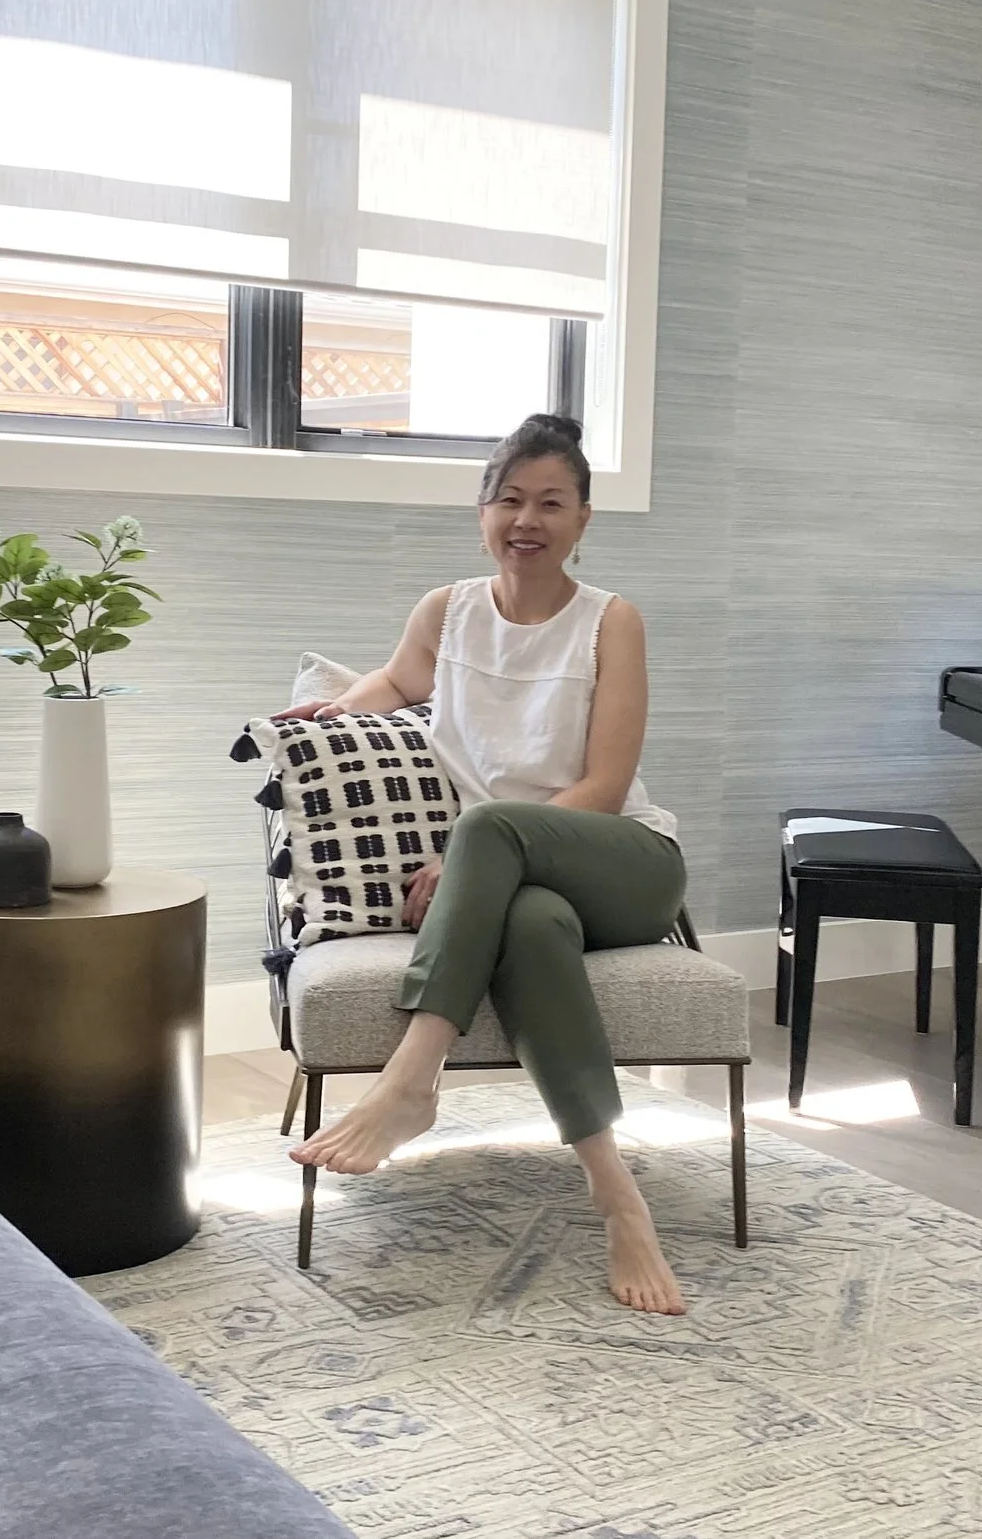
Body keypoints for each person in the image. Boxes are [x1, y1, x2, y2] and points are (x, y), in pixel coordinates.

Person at [279, 413, 690, 1315]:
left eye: (552, 503)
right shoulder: (447, 611)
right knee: (532, 927)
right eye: (509, 499)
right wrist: (336, 712)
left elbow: (606, 785)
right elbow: (398, 683)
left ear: (583, 520)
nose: (526, 520)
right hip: (526, 887)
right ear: (482, 512)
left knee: (493, 828)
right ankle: (617, 1198)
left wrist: (478, 847)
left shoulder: (610, 622)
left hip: (626, 865)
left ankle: (410, 1079)